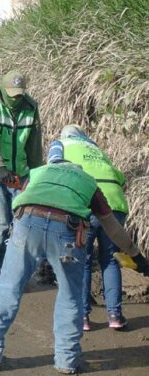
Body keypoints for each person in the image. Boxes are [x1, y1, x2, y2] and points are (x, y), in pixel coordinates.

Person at [0, 160, 148, 374]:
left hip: (28, 224)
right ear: (77, 171)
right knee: (70, 296)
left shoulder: (38, 172)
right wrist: (136, 255)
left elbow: (17, 198)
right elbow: (112, 227)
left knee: (8, 288)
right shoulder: (88, 183)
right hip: (68, 231)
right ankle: (66, 360)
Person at [48, 125, 130, 331]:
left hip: (86, 203)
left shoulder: (60, 145)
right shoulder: (96, 150)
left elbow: (54, 169)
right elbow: (120, 179)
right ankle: (115, 315)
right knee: (110, 260)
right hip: (115, 205)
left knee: (83, 261)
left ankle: (83, 316)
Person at [0, 70, 43, 276]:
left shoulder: (31, 107)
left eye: (20, 94)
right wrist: (0, 167)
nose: (16, 98)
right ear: (2, 89)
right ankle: (3, 273)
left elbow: (34, 145)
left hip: (20, 175)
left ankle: (18, 270)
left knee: (23, 224)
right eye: (12, 94)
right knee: (1, 225)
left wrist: (36, 175)